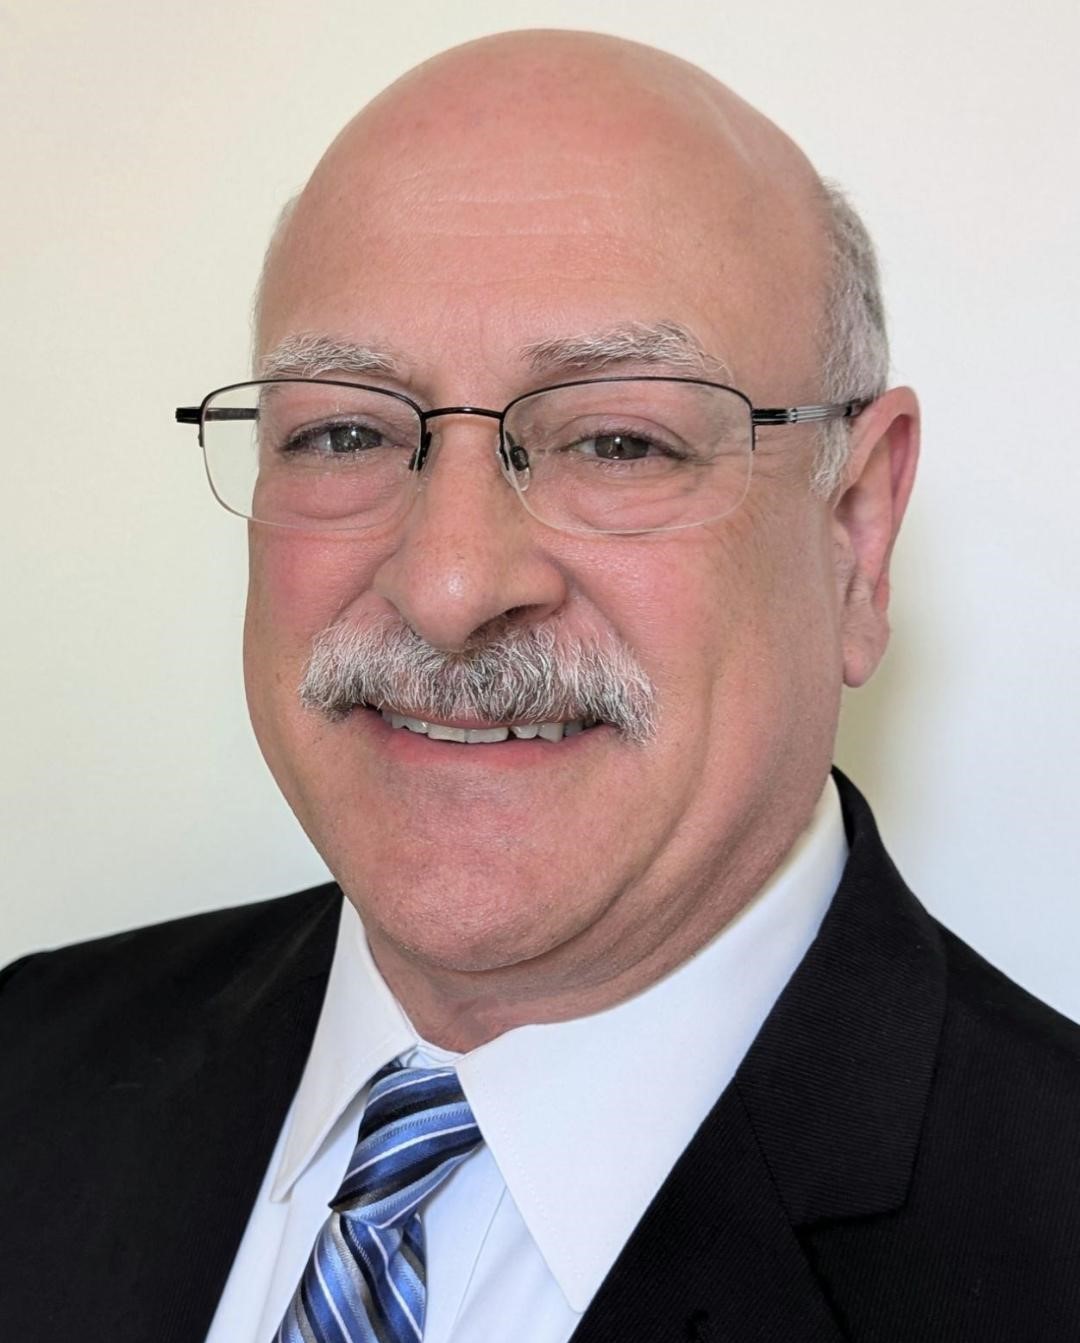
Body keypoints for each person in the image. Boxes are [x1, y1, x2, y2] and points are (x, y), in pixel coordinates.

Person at [1, 28, 1078, 1343]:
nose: (451, 583)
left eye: (617, 440)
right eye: (345, 430)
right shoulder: (31, 1063)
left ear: (854, 533)